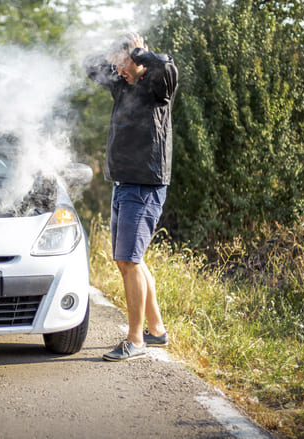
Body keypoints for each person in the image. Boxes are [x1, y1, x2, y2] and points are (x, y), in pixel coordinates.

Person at [84, 32, 179, 361]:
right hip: (124, 183)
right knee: (128, 260)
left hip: (145, 184)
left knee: (130, 260)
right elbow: (88, 65)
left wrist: (138, 54)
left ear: (138, 58)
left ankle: (135, 339)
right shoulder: (122, 84)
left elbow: (166, 64)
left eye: (122, 64)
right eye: (115, 65)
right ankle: (157, 330)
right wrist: (114, 53)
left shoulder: (158, 85)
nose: (117, 71)